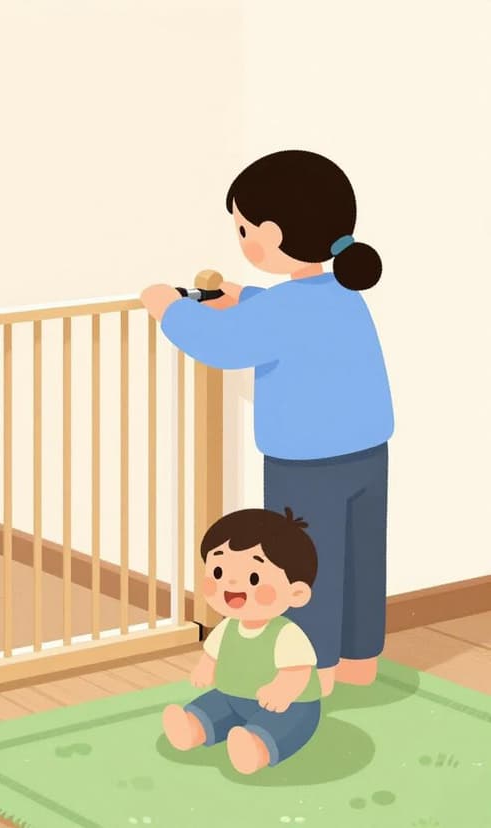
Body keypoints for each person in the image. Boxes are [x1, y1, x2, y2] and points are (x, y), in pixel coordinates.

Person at [141, 150, 394, 696]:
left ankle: (315, 672)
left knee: (305, 564)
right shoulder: (342, 291)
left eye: (242, 228)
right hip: (368, 451)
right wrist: (245, 296)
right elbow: (285, 311)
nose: (240, 236)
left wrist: (169, 308)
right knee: (361, 558)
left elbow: (221, 344)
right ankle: (359, 661)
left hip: (306, 461)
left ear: (271, 234)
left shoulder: (279, 312)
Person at [162, 507, 320, 774]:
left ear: (296, 593)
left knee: (282, 726)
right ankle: (192, 728)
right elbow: (212, 654)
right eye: (219, 573)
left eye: (254, 578)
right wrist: (205, 667)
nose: (231, 584)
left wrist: (282, 690)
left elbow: (298, 671)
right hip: (232, 696)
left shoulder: (285, 634)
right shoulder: (228, 628)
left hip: (290, 706)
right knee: (211, 706)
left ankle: (256, 748)